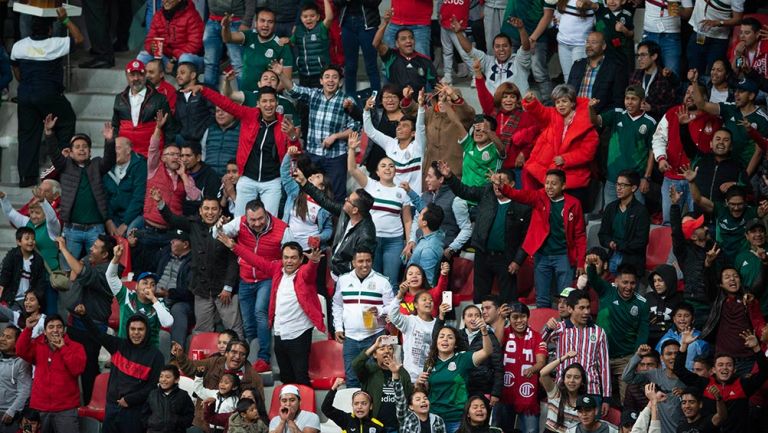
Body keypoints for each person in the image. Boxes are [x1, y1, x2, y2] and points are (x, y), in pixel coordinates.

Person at [220, 236, 325, 385]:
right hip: (280, 333)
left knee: (301, 377)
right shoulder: (277, 270)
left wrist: (314, 261)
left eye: (293, 258)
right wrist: (234, 247)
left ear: (301, 259)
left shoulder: (303, 274)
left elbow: (310, 271)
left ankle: (307, 407)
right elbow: (256, 260)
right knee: (286, 377)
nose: (289, 261)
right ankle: (289, 408)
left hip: (299, 333)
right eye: (286, 257)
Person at [190, 84, 300, 217]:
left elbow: (295, 152)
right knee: (240, 220)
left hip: (272, 180)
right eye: (264, 101)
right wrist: (204, 90)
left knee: (270, 221)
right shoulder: (250, 114)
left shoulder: (284, 123)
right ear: (258, 103)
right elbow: (227, 105)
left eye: (271, 101)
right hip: (247, 177)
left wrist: (293, 136)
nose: (268, 105)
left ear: (277, 103)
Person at [153, 190, 243, 338]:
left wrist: (228, 287)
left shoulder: (229, 227)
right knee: (202, 331)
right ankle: (202, 361)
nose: (210, 212)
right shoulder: (193, 224)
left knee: (234, 330)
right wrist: (160, 203)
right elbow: (172, 219)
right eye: (206, 209)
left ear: (220, 211)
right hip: (201, 289)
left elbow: (233, 261)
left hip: (224, 291)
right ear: (200, 211)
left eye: (214, 209)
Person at [215, 199, 291, 371]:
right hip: (246, 277)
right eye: (253, 220)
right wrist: (219, 226)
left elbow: (290, 253)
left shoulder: (282, 228)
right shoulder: (239, 222)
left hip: (267, 277)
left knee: (260, 312)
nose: (257, 223)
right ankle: (251, 355)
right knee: (248, 322)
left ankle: (264, 357)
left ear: (266, 213)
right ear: (246, 217)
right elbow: (216, 234)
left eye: (260, 219)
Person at [494, 168, 586, 308]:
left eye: (553, 183)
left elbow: (579, 235)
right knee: (542, 299)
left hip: (564, 256)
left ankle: (565, 328)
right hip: (542, 255)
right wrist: (502, 186)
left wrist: (580, 262)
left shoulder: (574, 204)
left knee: (566, 299)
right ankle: (545, 329)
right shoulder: (539, 197)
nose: (549, 186)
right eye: (547, 182)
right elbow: (519, 194)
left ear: (563, 186)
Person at [441, 162, 530, 304]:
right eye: (494, 181)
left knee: (508, 301)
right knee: (480, 299)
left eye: (500, 182)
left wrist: (517, 261)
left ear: (512, 184)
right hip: (483, 255)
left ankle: (506, 326)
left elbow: (527, 238)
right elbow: (464, 191)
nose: (496, 185)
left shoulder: (522, 206)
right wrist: (450, 177)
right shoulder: (486, 193)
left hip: (507, 259)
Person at [11, 10, 81, 187]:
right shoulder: (56, 43)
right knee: (66, 120)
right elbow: (79, 38)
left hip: (25, 93)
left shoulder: (18, 46)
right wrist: (65, 19)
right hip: (49, 94)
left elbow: (17, 72)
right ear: (50, 30)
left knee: (27, 135)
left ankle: (26, 178)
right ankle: (62, 169)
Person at [275, 63, 359, 202]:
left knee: (336, 197)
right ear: (321, 81)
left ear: (340, 82)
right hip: (313, 154)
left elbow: (356, 127)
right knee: (306, 191)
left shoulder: (347, 101)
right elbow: (293, 90)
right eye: (327, 77)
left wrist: (336, 136)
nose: (330, 80)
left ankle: (333, 224)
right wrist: (280, 74)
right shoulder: (314, 95)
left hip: (336, 157)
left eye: (334, 77)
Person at [75, 305, 164, 433]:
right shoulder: (118, 345)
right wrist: (84, 316)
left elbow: (152, 387)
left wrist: (130, 400)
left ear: (147, 331)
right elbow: (97, 334)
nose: (136, 333)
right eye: (132, 329)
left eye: (140, 329)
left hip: (135, 411)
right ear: (127, 330)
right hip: (112, 407)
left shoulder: (156, 356)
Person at [45, 115, 116, 261]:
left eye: (85, 147)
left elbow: (109, 160)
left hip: (96, 228)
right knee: (68, 268)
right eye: (77, 147)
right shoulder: (65, 166)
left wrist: (109, 141)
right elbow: (53, 153)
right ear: (70, 152)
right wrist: (49, 133)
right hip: (72, 229)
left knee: (97, 265)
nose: (81, 150)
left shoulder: (97, 165)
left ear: (90, 151)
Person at [346, 131, 413, 284]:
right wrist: (351, 149)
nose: (388, 168)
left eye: (391, 166)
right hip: (371, 239)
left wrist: (408, 242)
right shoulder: (371, 184)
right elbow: (352, 170)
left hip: (394, 242)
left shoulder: (402, 191)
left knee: (391, 282)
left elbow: (408, 220)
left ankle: (392, 309)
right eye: (383, 166)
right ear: (377, 172)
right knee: (372, 281)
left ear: (395, 171)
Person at [57, 233, 116, 404]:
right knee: (69, 365)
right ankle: (70, 403)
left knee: (88, 368)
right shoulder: (91, 260)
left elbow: (80, 271)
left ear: (105, 255)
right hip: (75, 322)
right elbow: (78, 269)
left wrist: (63, 248)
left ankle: (91, 405)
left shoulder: (107, 271)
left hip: (92, 328)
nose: (91, 248)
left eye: (96, 247)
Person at [652, 83, 722, 225]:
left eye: (693, 93)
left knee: (696, 223)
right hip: (672, 176)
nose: (689, 96)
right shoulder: (673, 112)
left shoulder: (714, 120)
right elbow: (658, 137)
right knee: (669, 222)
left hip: (697, 181)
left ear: (703, 98)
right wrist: (660, 158)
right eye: (687, 92)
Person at [293, 163, 377, 279]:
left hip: (345, 277)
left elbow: (362, 264)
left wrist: (342, 274)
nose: (345, 199)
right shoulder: (346, 212)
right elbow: (325, 201)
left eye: (349, 200)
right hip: (334, 270)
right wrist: (304, 183)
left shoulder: (366, 234)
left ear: (355, 210)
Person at [673, 328, 764, 433]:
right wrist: (684, 345)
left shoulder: (743, 385)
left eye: (729, 365)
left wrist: (756, 348)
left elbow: (765, 373)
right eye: (720, 365)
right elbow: (679, 370)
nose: (724, 368)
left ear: (734, 370)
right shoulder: (704, 384)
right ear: (713, 370)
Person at [519, 87, 598, 203]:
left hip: (572, 177)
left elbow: (587, 153)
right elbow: (540, 111)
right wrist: (532, 102)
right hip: (547, 173)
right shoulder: (552, 114)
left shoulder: (586, 124)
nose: (561, 105)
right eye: (557, 102)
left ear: (572, 103)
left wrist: (566, 159)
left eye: (564, 101)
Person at [586, 261, 650, 401]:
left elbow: (643, 333)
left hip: (625, 359)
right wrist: (591, 265)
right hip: (600, 356)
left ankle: (625, 423)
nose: (628, 287)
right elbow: (592, 278)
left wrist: (636, 356)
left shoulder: (642, 303)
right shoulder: (607, 290)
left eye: (632, 283)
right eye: (625, 282)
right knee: (596, 399)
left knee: (626, 400)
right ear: (616, 281)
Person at [543, 291, 611, 417]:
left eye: (588, 307)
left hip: (591, 391)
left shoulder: (599, 332)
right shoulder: (559, 328)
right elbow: (539, 344)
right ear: (570, 309)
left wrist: (606, 397)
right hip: (563, 390)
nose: (586, 312)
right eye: (581, 308)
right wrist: (548, 328)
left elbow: (604, 367)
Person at [172, 339, 264, 431]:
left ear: (246, 358)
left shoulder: (254, 378)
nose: (237, 357)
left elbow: (259, 406)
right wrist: (180, 356)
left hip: (234, 427)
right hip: (202, 423)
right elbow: (192, 368)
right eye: (234, 352)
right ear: (226, 353)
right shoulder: (213, 363)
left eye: (242, 354)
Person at [333, 248, 394, 388]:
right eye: (360, 261)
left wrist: (379, 310)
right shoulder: (343, 280)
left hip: (375, 337)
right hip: (350, 339)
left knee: (375, 378)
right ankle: (353, 411)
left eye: (368, 261)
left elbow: (392, 307)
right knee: (352, 379)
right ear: (353, 262)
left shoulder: (382, 281)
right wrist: (337, 327)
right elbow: (337, 305)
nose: (364, 265)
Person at [16, 314, 86, 433]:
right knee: (27, 432)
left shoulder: (76, 347)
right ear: (44, 331)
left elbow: (77, 369)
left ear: (64, 330)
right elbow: (20, 350)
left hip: (66, 409)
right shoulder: (37, 344)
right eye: (51, 327)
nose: (55, 330)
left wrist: (63, 348)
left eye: (59, 327)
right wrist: (28, 329)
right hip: (37, 408)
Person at [418, 324, 493, 433]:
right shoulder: (430, 363)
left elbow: (487, 351)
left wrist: (484, 332)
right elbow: (426, 391)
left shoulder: (463, 358)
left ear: (456, 344)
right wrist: (420, 382)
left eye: (450, 337)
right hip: (434, 418)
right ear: (436, 341)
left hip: (456, 418)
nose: (445, 339)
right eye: (442, 336)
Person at [690, 73, 768, 176]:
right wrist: (694, 82)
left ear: (751, 95)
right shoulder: (729, 108)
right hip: (724, 167)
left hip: (746, 171)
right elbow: (702, 104)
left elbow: (758, 153)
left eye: (741, 92)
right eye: (736, 91)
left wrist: (745, 177)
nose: (736, 94)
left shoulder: (762, 119)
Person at [589, 90, 656, 206]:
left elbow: (652, 151)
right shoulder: (617, 115)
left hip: (635, 180)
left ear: (642, 102)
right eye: (627, 99)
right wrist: (591, 108)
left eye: (633, 99)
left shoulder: (650, 122)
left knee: (635, 219)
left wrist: (646, 178)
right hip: (612, 179)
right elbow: (594, 120)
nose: (629, 102)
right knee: (610, 217)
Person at [472, 66, 538, 179]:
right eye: (505, 97)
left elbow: (535, 140)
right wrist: (478, 73)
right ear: (499, 98)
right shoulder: (492, 112)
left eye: (512, 97)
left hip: (515, 169)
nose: (508, 100)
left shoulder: (526, 117)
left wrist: (524, 154)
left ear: (517, 100)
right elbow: (483, 94)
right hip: (492, 165)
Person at [107, 244, 174, 347]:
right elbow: (110, 276)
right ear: (137, 286)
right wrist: (116, 257)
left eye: (152, 285)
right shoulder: (127, 296)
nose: (148, 287)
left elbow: (168, 322)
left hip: (148, 355)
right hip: (125, 350)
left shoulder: (159, 303)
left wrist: (153, 299)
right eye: (145, 283)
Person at [362, 90, 426, 195]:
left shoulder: (418, 146)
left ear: (413, 133)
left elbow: (420, 127)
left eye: (404, 126)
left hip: (413, 200)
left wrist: (421, 107)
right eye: (399, 125)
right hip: (394, 198)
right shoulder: (390, 144)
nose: (399, 128)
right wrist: (366, 111)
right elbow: (370, 131)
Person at [497, 304, 547, 433]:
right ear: (510, 318)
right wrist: (501, 319)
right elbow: (495, 345)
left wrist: (533, 368)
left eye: (523, 316)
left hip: (528, 395)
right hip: (504, 393)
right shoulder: (504, 332)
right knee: (502, 430)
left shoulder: (537, 336)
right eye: (515, 317)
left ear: (528, 317)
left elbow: (541, 361)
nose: (519, 321)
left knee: (531, 431)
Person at [404, 161, 471, 259]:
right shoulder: (424, 195)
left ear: (440, 179)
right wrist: (412, 240)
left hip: (441, 254)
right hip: (419, 250)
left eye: (430, 177)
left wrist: (452, 248)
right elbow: (416, 219)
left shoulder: (456, 199)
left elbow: (466, 228)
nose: (426, 180)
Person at [112, 60, 176, 158]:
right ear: (126, 76)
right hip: (126, 155)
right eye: (132, 75)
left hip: (151, 154)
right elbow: (115, 126)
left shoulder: (159, 99)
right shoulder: (119, 98)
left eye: (140, 75)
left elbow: (169, 128)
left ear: (145, 75)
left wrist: (167, 152)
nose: (136, 78)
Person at [668, 190, 713, 328]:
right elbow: (676, 232)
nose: (706, 228)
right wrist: (675, 206)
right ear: (693, 236)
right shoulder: (685, 253)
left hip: (713, 304)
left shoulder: (716, 249)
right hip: (694, 305)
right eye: (700, 227)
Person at [453, 18, 532, 95]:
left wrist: (521, 29)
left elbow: (526, 48)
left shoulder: (519, 61)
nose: (501, 49)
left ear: (511, 48)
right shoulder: (488, 61)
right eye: (497, 46)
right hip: (495, 106)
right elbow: (469, 50)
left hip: (518, 106)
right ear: (493, 49)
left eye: (505, 46)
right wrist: (458, 33)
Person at [223, 9, 294, 94]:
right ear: (256, 23)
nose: (265, 25)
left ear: (274, 25)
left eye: (270, 22)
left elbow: (287, 80)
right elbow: (227, 38)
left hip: (268, 102)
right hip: (246, 96)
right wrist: (226, 27)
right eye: (262, 21)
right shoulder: (249, 35)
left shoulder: (282, 45)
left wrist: (267, 95)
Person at [621, 342, 686, 433]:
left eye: (676, 353)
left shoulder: (689, 377)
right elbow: (626, 377)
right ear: (662, 358)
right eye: (669, 354)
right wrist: (638, 355)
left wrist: (686, 392)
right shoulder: (654, 374)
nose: (673, 357)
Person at [352, 336, 414, 429]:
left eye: (390, 348)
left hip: (397, 426)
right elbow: (355, 364)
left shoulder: (402, 372)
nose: (387, 351)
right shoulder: (369, 370)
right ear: (375, 355)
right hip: (374, 426)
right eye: (382, 348)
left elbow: (409, 396)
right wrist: (375, 346)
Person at [597, 171, 651, 273]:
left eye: (623, 185)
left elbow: (641, 241)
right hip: (612, 255)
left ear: (633, 188)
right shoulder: (610, 208)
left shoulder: (641, 211)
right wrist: (610, 242)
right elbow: (602, 234)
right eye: (617, 184)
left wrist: (619, 245)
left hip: (632, 261)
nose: (618, 188)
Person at [567, 32, 628, 114]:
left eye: (593, 42)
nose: (589, 46)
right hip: (575, 115)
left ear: (603, 46)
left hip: (599, 118)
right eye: (587, 42)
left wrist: (603, 119)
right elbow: (568, 93)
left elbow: (618, 101)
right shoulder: (577, 65)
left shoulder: (614, 68)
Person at [137, 0, 204, 73]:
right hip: (167, 59)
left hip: (185, 59)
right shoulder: (158, 15)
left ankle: (185, 80)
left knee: (185, 58)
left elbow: (195, 44)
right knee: (143, 56)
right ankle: (140, 84)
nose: (165, 1)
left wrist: (174, 59)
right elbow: (149, 39)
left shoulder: (191, 15)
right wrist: (151, 47)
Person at [374, 18, 437, 93]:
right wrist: (385, 23)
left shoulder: (425, 61)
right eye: (403, 39)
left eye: (411, 38)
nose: (408, 41)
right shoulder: (391, 56)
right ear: (397, 44)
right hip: (395, 102)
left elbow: (436, 86)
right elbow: (376, 43)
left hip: (418, 103)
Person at [201, 0, 255, 87]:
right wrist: (206, 21)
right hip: (212, 20)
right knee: (210, 63)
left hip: (235, 21)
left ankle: (245, 98)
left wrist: (246, 22)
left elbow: (251, 2)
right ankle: (209, 98)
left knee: (238, 64)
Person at [333, 0, 381, 95]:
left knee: (371, 66)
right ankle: (350, 101)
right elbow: (336, 2)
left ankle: (375, 101)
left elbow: (375, 2)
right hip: (347, 23)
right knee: (350, 66)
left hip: (367, 24)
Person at [685, 0, 743, 79]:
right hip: (699, 33)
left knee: (713, 75)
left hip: (718, 40)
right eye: (743, 33)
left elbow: (738, 19)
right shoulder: (741, 51)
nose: (743, 35)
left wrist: (719, 23)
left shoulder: (743, 49)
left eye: (747, 33)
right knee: (694, 72)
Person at [103, 137, 147, 238]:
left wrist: (126, 223)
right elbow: (104, 197)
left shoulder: (140, 165)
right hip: (112, 216)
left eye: (117, 148)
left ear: (128, 150)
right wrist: (108, 221)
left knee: (130, 234)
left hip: (134, 216)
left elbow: (138, 198)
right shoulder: (107, 165)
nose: (114, 152)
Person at [389, 288, 437, 382]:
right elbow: (392, 315)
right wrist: (400, 295)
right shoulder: (410, 321)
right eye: (424, 299)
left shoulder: (439, 324)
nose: (428, 302)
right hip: (411, 377)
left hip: (432, 376)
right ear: (415, 305)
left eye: (431, 300)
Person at [628, 42, 680, 121]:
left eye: (643, 55)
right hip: (635, 119)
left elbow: (671, 106)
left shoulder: (664, 77)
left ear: (654, 56)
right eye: (638, 55)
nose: (639, 59)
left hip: (656, 121)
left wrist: (652, 108)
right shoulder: (635, 75)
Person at [539, 351, 586, 433]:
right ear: (564, 379)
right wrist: (563, 358)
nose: (572, 380)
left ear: (582, 381)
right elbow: (543, 373)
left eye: (576, 377)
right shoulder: (555, 393)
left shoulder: (584, 401)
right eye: (568, 377)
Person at [655, 303, 710, 370]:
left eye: (686, 316)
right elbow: (657, 360)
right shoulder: (665, 338)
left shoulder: (699, 338)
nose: (682, 319)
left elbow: (705, 363)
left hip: (689, 377)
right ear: (674, 319)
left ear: (693, 319)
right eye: (679, 316)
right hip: (667, 377)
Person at [0, 228, 45, 310]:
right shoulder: (12, 255)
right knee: (14, 318)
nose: (31, 241)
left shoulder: (38, 259)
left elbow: (40, 282)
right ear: (19, 242)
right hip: (12, 299)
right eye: (27, 238)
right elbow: (4, 276)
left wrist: (36, 298)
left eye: (33, 239)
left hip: (28, 301)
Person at [143, 365, 195, 433]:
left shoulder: (183, 395)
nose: (163, 379)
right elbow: (145, 414)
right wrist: (151, 422)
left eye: (167, 377)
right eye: (161, 376)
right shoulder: (153, 394)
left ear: (176, 380)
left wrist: (176, 421)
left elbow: (189, 416)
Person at [0, 325, 31, 433]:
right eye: (2, 335)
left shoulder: (22, 362)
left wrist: (12, 411)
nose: (2, 339)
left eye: (8, 337)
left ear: (17, 342)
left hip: (9, 415)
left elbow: (24, 391)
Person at [174, 63, 215, 145]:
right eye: (177, 74)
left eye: (182, 73)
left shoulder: (205, 90)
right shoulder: (177, 95)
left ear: (193, 75)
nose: (178, 76)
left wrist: (204, 131)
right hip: (184, 141)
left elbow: (214, 113)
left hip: (205, 139)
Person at [178, 142, 221, 216]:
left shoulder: (210, 176)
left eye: (188, 156)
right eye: (182, 156)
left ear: (198, 158)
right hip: (180, 217)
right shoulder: (178, 172)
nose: (184, 159)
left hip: (200, 219)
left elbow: (211, 203)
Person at [646, 265, 684, 346]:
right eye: (654, 281)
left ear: (669, 280)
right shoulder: (648, 297)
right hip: (647, 340)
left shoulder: (680, 299)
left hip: (671, 341)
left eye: (660, 280)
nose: (656, 284)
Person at [731, 17, 768, 82]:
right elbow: (735, 73)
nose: (742, 36)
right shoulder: (738, 48)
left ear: (757, 34)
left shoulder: (766, 48)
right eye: (741, 32)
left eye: (747, 33)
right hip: (745, 87)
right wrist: (738, 55)